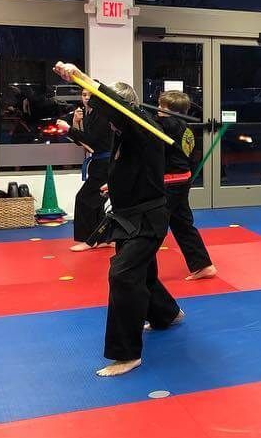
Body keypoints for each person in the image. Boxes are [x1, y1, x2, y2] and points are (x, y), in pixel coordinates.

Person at [52, 62, 183, 377]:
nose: (107, 121)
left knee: (123, 275)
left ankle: (127, 354)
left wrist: (80, 76)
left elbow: (117, 108)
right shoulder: (125, 133)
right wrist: (115, 185)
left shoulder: (141, 127)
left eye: (110, 114)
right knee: (142, 272)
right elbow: (135, 168)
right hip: (128, 217)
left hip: (147, 220)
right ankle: (167, 314)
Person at [157, 90, 216, 281]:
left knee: (154, 224)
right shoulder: (186, 127)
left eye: (162, 107)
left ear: (173, 112)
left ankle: (138, 267)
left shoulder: (170, 124)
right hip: (182, 179)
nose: (158, 110)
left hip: (172, 181)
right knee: (182, 224)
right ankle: (203, 265)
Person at [65, 87, 113, 251]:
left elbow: (91, 141)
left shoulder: (102, 115)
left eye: (90, 95)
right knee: (96, 202)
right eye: (84, 95)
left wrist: (69, 129)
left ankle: (88, 240)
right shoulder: (89, 115)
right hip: (98, 162)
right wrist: (75, 123)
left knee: (84, 199)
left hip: (105, 163)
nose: (86, 98)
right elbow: (83, 143)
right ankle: (103, 238)